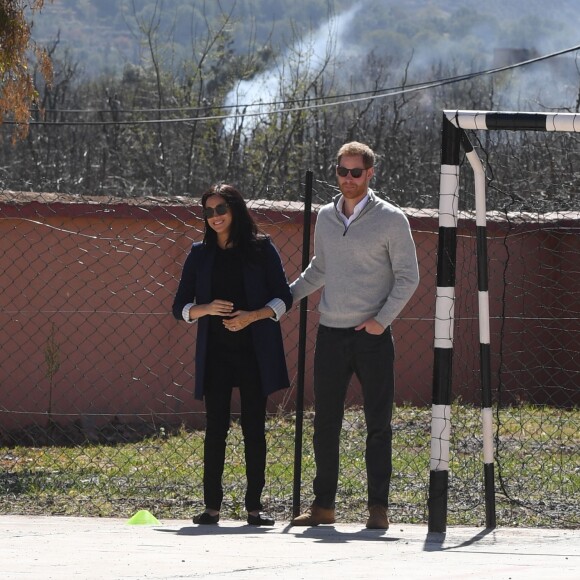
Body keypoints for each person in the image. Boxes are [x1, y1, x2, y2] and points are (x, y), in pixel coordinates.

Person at [290, 141, 419, 529]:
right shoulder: (327, 217)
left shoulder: (392, 219)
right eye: (342, 171)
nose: (348, 178)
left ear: (370, 173)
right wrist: (281, 298)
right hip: (331, 332)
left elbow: (408, 276)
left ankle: (377, 508)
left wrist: (381, 321)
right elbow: (319, 270)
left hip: (373, 337)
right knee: (325, 422)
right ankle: (323, 507)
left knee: (378, 424)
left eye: (356, 172)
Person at [172, 183, 292, 527]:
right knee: (216, 429)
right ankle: (212, 508)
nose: (215, 217)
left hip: (254, 352)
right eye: (208, 212)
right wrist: (206, 308)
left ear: (235, 210)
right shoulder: (199, 254)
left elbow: (284, 298)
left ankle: (254, 508)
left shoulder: (262, 248)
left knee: (254, 429)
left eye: (220, 209)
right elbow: (179, 308)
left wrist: (252, 316)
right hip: (216, 355)